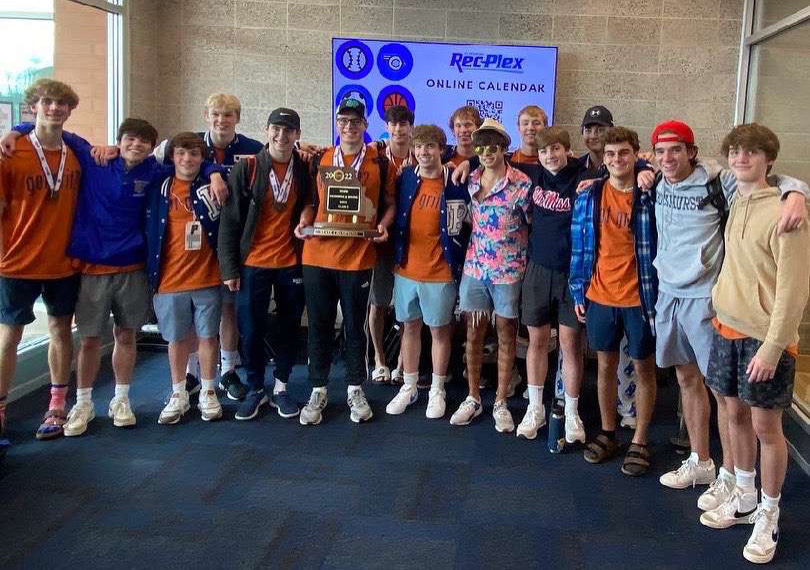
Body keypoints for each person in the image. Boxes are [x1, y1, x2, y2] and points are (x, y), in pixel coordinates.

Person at [640, 121, 809, 508]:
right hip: (669, 294)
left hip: (706, 298)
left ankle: (731, 474)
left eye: (676, 150)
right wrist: (644, 169)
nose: (668, 158)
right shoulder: (656, 180)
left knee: (724, 395)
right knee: (686, 379)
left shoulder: (719, 181)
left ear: (692, 151)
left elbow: (768, 181)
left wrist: (798, 193)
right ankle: (701, 460)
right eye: (661, 151)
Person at [700, 124, 809, 564]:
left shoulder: (789, 212)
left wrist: (772, 346)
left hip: (766, 338)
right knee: (732, 413)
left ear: (768, 159)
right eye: (736, 152)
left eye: (752, 152)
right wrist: (719, 305)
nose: (742, 158)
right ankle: (744, 494)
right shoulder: (736, 196)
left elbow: (793, 290)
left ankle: (769, 513)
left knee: (767, 428)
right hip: (727, 326)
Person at [294, 98, 396, 424]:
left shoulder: (380, 162)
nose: (349, 127)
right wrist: (303, 221)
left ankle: (355, 387)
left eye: (355, 121)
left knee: (355, 327)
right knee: (319, 326)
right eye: (343, 121)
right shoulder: (321, 159)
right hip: (318, 255)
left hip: (358, 257)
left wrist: (384, 225)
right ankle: (318, 389)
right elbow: (311, 202)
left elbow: (390, 204)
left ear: (365, 125)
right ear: (337, 125)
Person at [156, 94, 264, 400]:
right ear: (206, 115)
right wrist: (212, 171)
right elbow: (147, 157)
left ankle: (229, 371)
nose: (222, 120)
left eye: (228, 115)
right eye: (216, 114)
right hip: (190, 252)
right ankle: (193, 374)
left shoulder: (251, 149)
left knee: (227, 310)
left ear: (237, 118)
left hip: (232, 246)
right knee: (192, 316)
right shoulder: (189, 144)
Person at [569, 126, 658, 476]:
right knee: (604, 366)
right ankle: (609, 432)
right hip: (599, 294)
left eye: (624, 153)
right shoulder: (590, 194)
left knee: (643, 368)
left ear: (635, 155)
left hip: (641, 297)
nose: (617, 160)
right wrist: (578, 289)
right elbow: (580, 247)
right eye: (610, 154)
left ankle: (639, 439)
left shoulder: (650, 192)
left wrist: (650, 170)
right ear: (602, 159)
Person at [0, 79, 82, 445]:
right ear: (33, 106)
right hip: (16, 261)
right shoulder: (9, 152)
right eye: (48, 102)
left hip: (64, 262)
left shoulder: (76, 153)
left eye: (62, 103)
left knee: (61, 332)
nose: (54, 108)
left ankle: (57, 405)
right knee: (8, 338)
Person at [218, 108, 309, 421]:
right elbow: (230, 224)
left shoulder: (304, 168)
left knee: (288, 327)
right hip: (252, 262)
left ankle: (282, 387)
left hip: (290, 261)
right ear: (267, 130)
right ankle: (255, 387)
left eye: (289, 131)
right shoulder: (249, 167)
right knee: (252, 329)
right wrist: (229, 269)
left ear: (297, 135)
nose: (282, 136)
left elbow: (311, 202)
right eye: (277, 129)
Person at [449, 119, 532, 432]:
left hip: (509, 273)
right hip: (475, 269)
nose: (486, 152)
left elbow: (534, 224)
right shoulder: (469, 179)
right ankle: (473, 397)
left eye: (492, 146)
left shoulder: (522, 185)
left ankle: (500, 401)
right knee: (473, 334)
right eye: (480, 146)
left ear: (503, 148)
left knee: (506, 335)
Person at [386, 125, 470, 417]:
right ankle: (409, 386)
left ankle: (437, 388)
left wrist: (468, 162)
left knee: (439, 331)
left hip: (440, 271)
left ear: (441, 149)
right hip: (407, 268)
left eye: (430, 147)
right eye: (419, 147)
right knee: (409, 327)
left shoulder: (457, 180)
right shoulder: (406, 177)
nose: (424, 153)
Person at [517, 126, 591, 441]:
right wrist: (462, 163)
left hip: (571, 273)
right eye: (545, 150)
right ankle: (535, 408)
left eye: (556, 149)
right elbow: (485, 162)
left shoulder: (583, 175)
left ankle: (571, 412)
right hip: (537, 269)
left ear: (567, 150)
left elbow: (629, 165)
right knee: (537, 342)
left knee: (570, 344)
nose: (550, 155)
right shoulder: (531, 173)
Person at [146, 132, 226, 425]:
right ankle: (178, 392)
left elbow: (226, 169)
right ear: (172, 156)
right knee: (177, 339)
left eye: (194, 154)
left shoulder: (212, 186)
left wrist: (213, 171)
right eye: (181, 153)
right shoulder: (159, 186)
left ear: (202, 157)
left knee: (208, 337)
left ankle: (208, 390)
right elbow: (146, 161)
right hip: (169, 279)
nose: (187, 159)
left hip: (207, 277)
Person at [368, 105, 415, 386]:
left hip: (412, 242)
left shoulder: (421, 155)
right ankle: (379, 359)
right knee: (379, 302)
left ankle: (402, 364)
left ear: (411, 127)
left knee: (408, 307)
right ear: (387, 127)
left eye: (404, 124)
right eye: (393, 124)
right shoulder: (374, 156)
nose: (399, 129)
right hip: (382, 242)